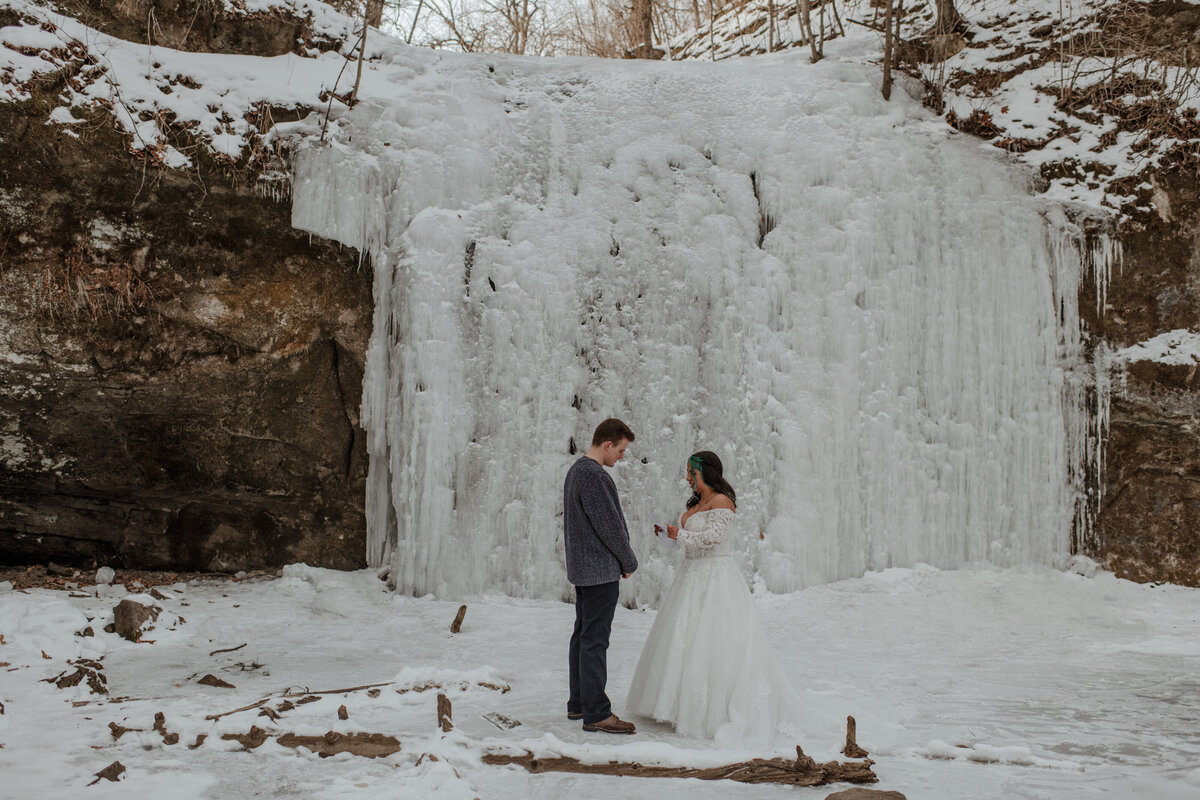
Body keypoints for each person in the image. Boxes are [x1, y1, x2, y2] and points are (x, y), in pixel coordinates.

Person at [626, 450, 797, 745]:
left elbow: (713, 539)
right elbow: (688, 544)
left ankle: (710, 713)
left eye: (690, 472)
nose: (687, 477)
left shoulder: (722, 501)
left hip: (716, 576)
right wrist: (668, 536)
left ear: (704, 471)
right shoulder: (695, 504)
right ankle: (678, 706)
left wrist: (679, 534)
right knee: (685, 640)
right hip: (691, 575)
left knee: (712, 641)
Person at [564, 418, 639, 735]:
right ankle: (596, 712)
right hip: (599, 571)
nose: (621, 456)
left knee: (583, 636)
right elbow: (609, 525)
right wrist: (628, 560)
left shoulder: (576, 471)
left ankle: (579, 703)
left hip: (584, 571)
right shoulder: (594, 476)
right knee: (595, 641)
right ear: (607, 444)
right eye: (620, 450)